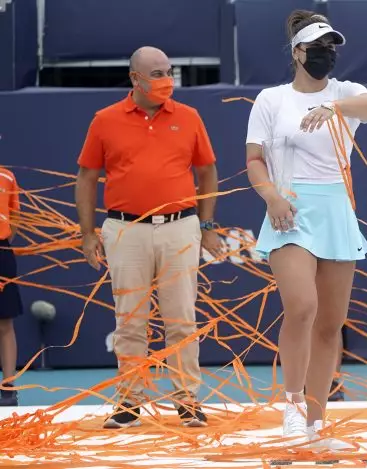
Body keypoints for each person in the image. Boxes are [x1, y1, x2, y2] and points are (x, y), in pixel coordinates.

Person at [245, 9, 367, 449]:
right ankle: (293, 406)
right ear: (298, 52)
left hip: (336, 209)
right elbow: (254, 160)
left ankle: (316, 425)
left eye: (331, 47)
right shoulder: (271, 99)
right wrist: (272, 197)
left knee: (330, 324)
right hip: (289, 209)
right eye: (318, 47)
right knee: (302, 306)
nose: (326, 54)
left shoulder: (344, 91)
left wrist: (333, 107)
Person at [75, 46, 224, 428]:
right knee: (129, 319)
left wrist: (207, 225)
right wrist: (87, 233)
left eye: (169, 72)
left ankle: (187, 399)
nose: (166, 80)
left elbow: (207, 171)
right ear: (135, 79)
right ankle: (129, 401)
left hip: (180, 227)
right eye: (157, 74)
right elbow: (87, 177)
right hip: (125, 229)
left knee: (181, 318)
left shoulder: (188, 117)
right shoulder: (105, 120)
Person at [0, 167, 22, 407]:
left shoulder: (6, 176)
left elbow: (15, 216)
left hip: (1, 252)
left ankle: (8, 387)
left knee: (5, 321)